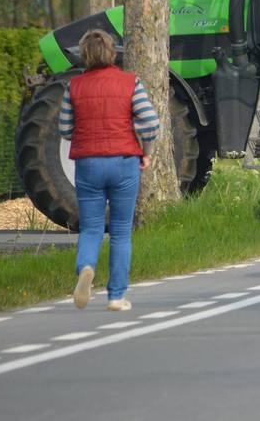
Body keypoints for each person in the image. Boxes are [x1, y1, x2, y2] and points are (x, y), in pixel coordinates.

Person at [58, 30, 160, 312]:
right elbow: (151, 123)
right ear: (112, 52)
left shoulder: (74, 86)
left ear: (84, 55)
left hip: (88, 164)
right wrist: (145, 152)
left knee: (91, 228)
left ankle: (86, 268)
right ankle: (116, 296)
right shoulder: (130, 83)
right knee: (120, 232)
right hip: (124, 161)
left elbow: (64, 129)